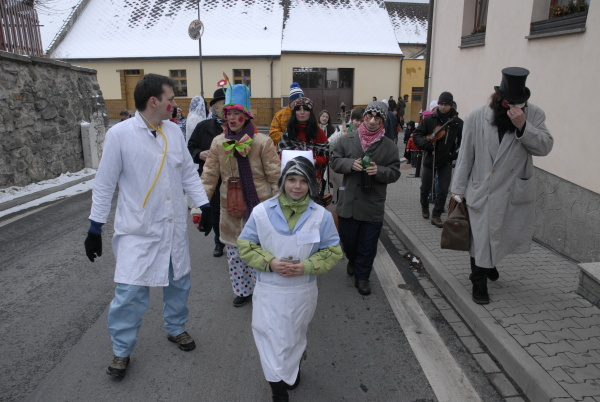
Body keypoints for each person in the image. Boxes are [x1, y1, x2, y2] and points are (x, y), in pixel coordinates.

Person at [83, 74, 211, 378]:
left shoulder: (173, 132)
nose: (175, 104)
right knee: (130, 293)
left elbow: (188, 174)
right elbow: (104, 184)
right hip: (138, 230)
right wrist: (95, 227)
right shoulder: (120, 135)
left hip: (173, 226)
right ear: (153, 101)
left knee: (179, 282)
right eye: (171, 98)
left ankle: (176, 328)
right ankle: (121, 350)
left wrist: (203, 204)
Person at [237, 156, 342, 402]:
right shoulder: (261, 212)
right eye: (291, 180)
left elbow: (332, 250)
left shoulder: (321, 216)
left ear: (312, 185)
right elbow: (246, 245)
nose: (297, 186)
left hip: (302, 292)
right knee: (269, 337)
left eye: (303, 181)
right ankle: (278, 389)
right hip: (269, 291)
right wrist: (270, 262)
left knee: (295, 336)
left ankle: (290, 369)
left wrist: (307, 265)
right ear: (283, 181)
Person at [450, 67, 553, 305]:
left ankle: (489, 264)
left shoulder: (534, 115)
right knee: (479, 237)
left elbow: (545, 147)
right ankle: (479, 282)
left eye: (520, 103)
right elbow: (466, 154)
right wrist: (458, 188)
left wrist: (524, 126)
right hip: (482, 187)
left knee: (498, 234)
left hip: (511, 190)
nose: (516, 107)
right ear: (501, 98)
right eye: (511, 102)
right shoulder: (477, 116)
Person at [201, 83, 281, 307]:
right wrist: (200, 205)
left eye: (237, 113)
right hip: (231, 206)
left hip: (260, 206)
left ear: (246, 116)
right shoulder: (218, 142)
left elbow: (275, 177)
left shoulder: (262, 142)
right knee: (235, 253)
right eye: (229, 114)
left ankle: (263, 290)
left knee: (260, 250)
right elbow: (209, 176)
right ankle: (243, 290)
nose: (233, 118)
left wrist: (279, 209)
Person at [330, 101, 401, 295]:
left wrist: (380, 170)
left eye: (377, 118)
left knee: (368, 245)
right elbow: (334, 161)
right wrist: (350, 164)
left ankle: (362, 277)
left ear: (382, 122)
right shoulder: (347, 139)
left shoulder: (388, 146)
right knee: (348, 241)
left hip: (372, 204)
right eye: (369, 116)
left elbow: (395, 172)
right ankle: (353, 261)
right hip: (349, 203)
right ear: (364, 117)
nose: (372, 121)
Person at [413, 91, 463, 228]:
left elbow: (462, 142)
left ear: (451, 105)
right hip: (430, 158)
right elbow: (417, 134)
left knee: (443, 190)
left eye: (445, 104)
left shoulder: (457, 123)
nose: (442, 106)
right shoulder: (429, 120)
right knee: (425, 188)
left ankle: (437, 215)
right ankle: (424, 206)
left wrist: (453, 155)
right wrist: (426, 145)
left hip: (445, 161)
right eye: (441, 104)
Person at [188, 87, 227, 257]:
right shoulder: (203, 127)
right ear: (214, 108)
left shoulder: (240, 127)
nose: (224, 111)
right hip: (212, 178)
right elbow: (190, 146)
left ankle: (237, 243)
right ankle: (219, 241)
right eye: (220, 106)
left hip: (233, 178)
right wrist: (199, 153)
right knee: (216, 212)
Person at [278, 97, 329, 193]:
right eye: (298, 109)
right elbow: (280, 155)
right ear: (294, 112)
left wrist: (315, 160)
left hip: (312, 177)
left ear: (310, 112)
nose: (302, 112)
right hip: (291, 177)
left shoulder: (319, 133)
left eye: (305, 109)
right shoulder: (287, 133)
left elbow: (327, 155)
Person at [269, 82, 304, 147]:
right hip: (284, 150)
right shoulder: (279, 115)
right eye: (296, 99)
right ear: (291, 100)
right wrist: (290, 138)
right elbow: (273, 133)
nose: (298, 102)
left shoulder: (307, 114)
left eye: (300, 100)